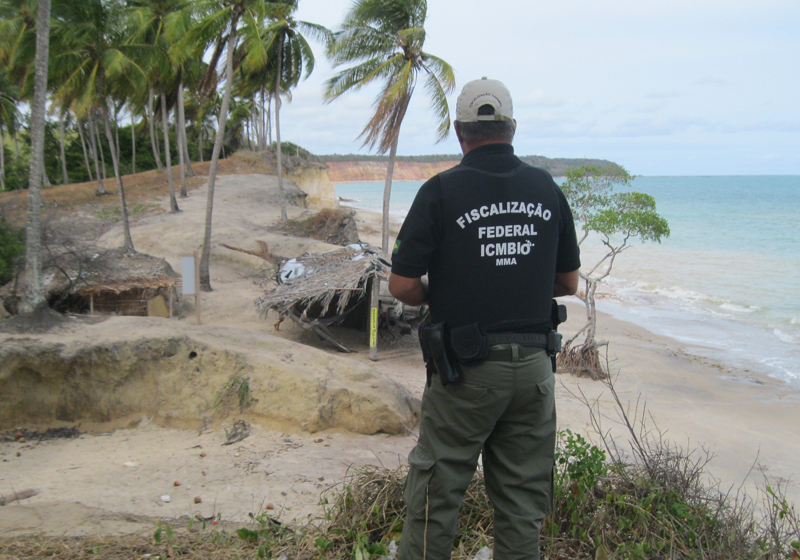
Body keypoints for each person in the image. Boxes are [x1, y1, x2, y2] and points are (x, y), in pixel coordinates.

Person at [388, 77, 581, 560]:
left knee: (437, 495)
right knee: (521, 504)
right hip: (535, 368)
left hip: (465, 373)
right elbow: (569, 282)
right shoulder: (545, 189)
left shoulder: (440, 192)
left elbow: (402, 287)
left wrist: (444, 289)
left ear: (459, 132)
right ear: (512, 129)